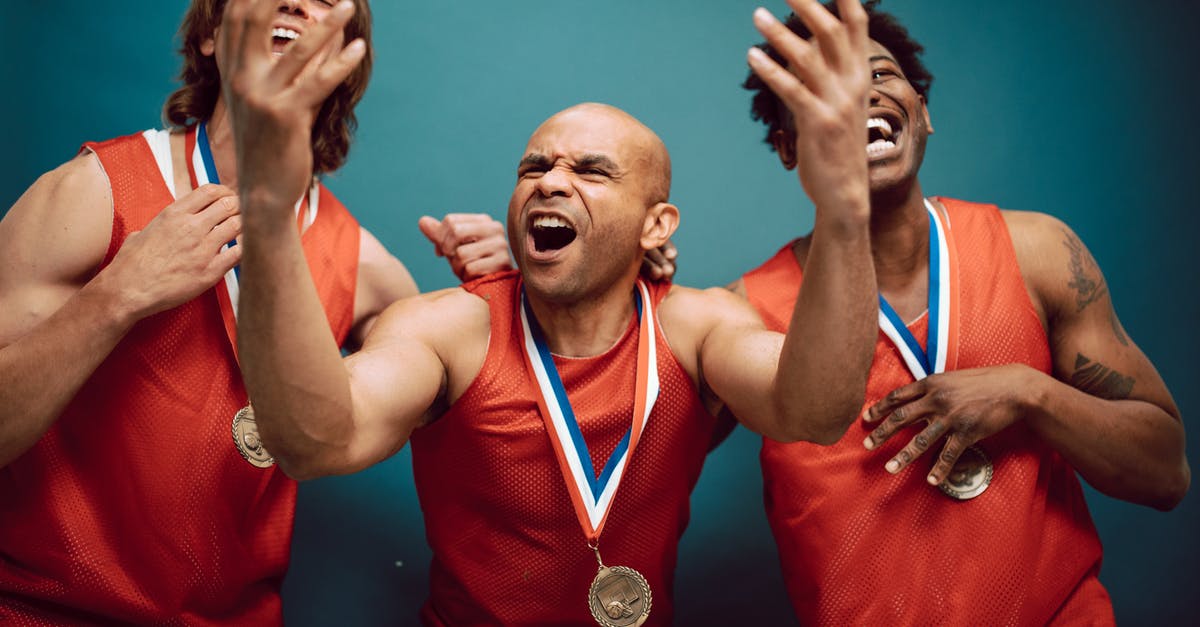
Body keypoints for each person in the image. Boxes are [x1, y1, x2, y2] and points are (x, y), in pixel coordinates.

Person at [220, 0, 880, 623]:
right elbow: (318, 441)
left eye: (592, 171)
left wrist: (844, 208)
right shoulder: (450, 329)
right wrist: (270, 210)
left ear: (656, 226)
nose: (551, 182)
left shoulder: (698, 329)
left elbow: (814, 411)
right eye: (533, 168)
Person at [0, 0, 513, 623]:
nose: (296, 2)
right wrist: (119, 294)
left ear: (343, 61)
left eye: (325, 1)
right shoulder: (93, 192)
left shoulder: (365, 268)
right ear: (212, 34)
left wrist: (504, 290)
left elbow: (479, 431)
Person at [734, 1, 1190, 624]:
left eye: (879, 74)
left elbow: (1166, 473)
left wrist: (1031, 392)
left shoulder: (1037, 252)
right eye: (824, 88)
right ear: (789, 147)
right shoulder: (743, 313)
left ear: (923, 112)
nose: (858, 95)